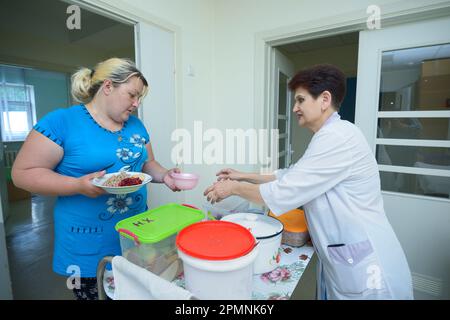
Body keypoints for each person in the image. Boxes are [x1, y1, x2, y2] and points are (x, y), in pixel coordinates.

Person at [204, 64, 413, 300]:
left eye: (300, 100)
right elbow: (290, 175)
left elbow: (285, 191)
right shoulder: (329, 135)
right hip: (345, 258)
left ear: (324, 99)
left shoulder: (337, 138)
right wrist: (242, 175)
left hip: (368, 270)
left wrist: (232, 188)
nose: (295, 108)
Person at [12, 57, 181, 300]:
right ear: (108, 86)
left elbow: (147, 163)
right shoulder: (62, 122)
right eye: (132, 95)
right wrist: (77, 185)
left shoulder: (135, 124)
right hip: (87, 241)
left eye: (139, 98)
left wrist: (165, 175)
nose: (136, 104)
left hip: (135, 233)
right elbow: (23, 174)